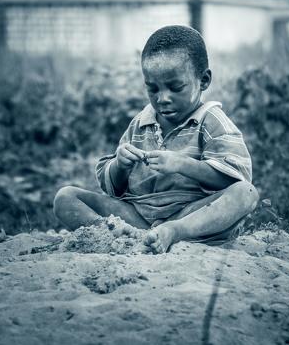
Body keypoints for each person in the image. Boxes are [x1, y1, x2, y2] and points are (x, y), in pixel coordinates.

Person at [53, 25, 259, 253]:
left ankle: (173, 232)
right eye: (153, 89)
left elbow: (233, 178)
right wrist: (120, 165)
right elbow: (113, 190)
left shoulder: (211, 121)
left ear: (204, 80)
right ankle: (121, 235)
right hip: (138, 216)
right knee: (66, 197)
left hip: (190, 216)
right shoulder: (141, 123)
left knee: (246, 193)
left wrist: (183, 164)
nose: (163, 98)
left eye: (175, 87)